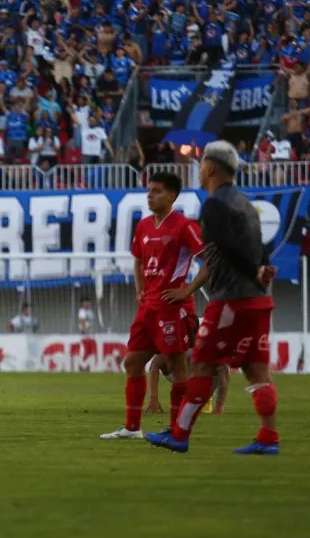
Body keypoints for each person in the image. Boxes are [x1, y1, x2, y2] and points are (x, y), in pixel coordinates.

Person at [147, 141, 279, 455]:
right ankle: (268, 437)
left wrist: (253, 269)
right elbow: (260, 246)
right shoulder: (246, 204)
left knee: (202, 364)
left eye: (201, 165)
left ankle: (179, 435)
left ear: (209, 168)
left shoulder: (214, 205)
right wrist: (261, 269)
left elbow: (229, 246)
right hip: (259, 300)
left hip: (231, 299)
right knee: (257, 370)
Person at [101, 172, 205, 441]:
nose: (150, 195)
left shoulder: (185, 226)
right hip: (148, 307)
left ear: (172, 195)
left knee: (177, 365)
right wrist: (139, 289)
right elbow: (137, 259)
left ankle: (177, 431)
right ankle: (133, 428)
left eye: (157, 191)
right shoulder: (144, 226)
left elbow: (210, 261)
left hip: (172, 306)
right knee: (132, 362)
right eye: (149, 190)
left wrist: (186, 289)